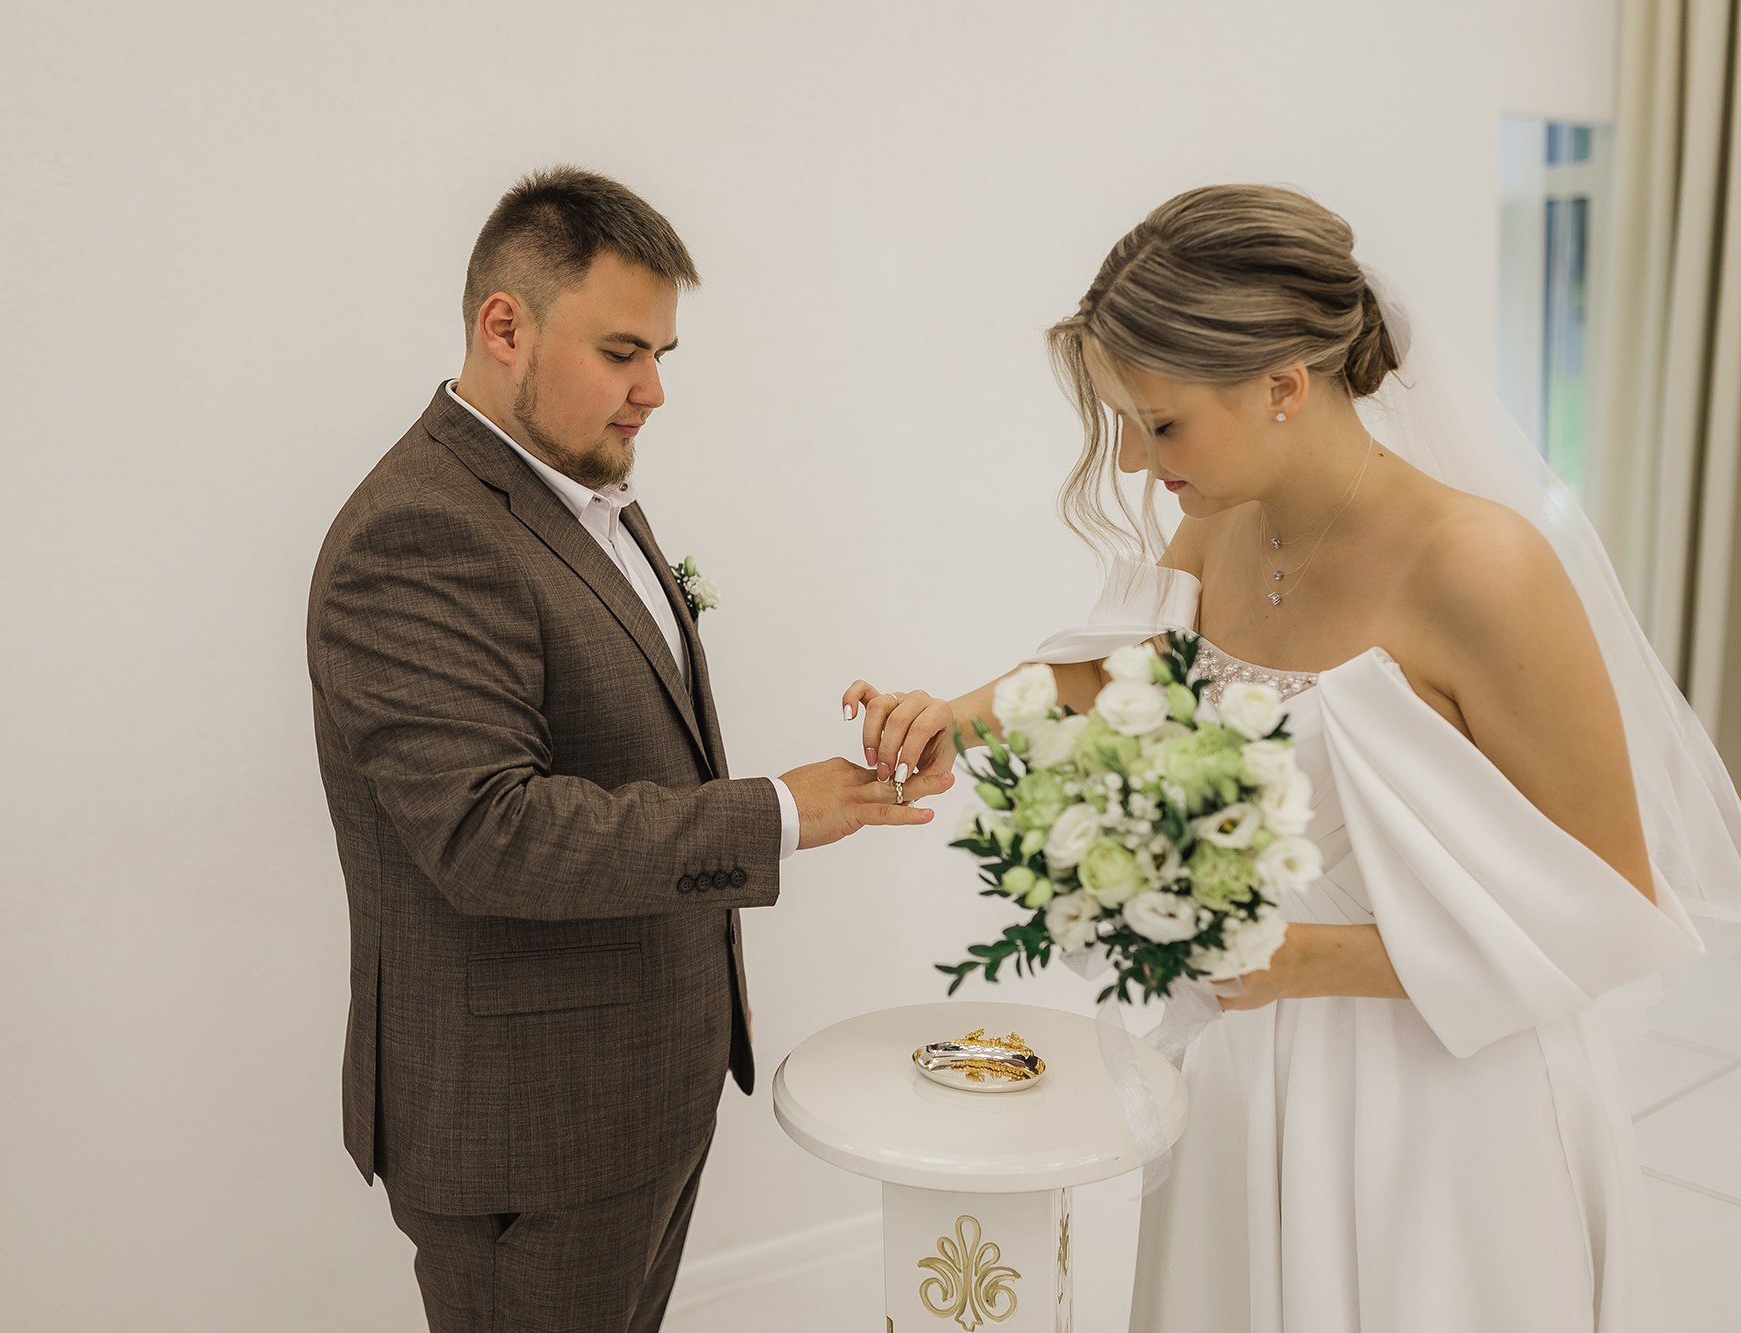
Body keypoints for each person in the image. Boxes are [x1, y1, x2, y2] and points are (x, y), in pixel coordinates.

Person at [851, 184, 1740, 1331]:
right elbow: (1136, 670)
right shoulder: (1226, 514)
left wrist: (1303, 955)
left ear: (1282, 386)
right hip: (1242, 1056)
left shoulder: (1481, 567)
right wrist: (956, 719)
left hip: (1438, 1086)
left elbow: (1611, 904)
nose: (1131, 460)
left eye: (1159, 423)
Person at [306, 166, 944, 1333]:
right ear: (504, 325)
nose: (651, 390)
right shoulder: (418, 530)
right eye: (619, 351)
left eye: (661, 355)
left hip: (632, 1093)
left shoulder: (577, 491)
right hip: (525, 1134)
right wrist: (782, 812)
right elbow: (487, 833)